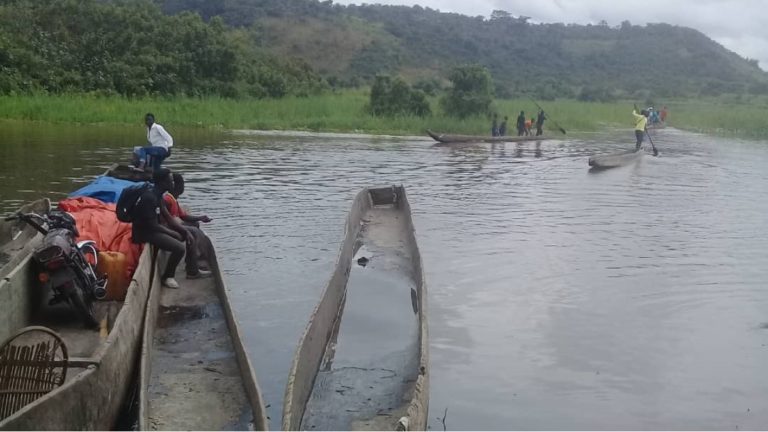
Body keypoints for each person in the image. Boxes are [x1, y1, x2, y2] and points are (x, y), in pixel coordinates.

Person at [130, 168, 188, 288]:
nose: (173, 183)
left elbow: (167, 216)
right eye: (170, 181)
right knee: (180, 249)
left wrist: (184, 231)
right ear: (162, 182)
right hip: (144, 233)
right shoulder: (149, 198)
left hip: (153, 229)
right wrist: (173, 234)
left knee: (182, 235)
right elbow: (153, 226)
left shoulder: (158, 194)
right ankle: (168, 277)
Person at [163, 173, 214, 275]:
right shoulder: (167, 199)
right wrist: (183, 228)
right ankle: (192, 270)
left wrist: (201, 218)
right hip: (168, 229)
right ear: (177, 186)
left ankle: (192, 259)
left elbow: (183, 216)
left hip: (173, 225)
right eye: (182, 185)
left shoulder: (173, 199)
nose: (183, 188)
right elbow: (167, 221)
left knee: (195, 224)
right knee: (194, 231)